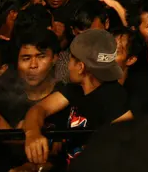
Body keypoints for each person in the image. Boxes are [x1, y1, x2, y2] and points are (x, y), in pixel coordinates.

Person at [22, 29, 134, 165]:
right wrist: (32, 133)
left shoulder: (113, 96)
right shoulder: (75, 89)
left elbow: (126, 141)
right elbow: (40, 108)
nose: (67, 67)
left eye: (70, 60)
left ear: (80, 67)